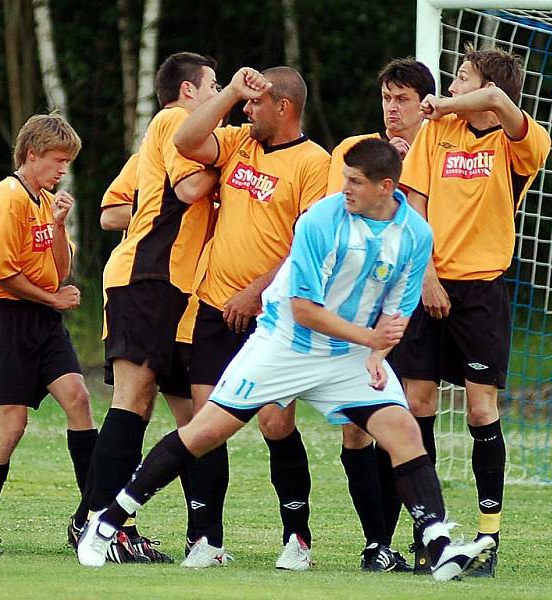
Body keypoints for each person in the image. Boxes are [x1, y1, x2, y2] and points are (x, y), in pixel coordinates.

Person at [78, 137, 498, 582]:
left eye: (355, 181)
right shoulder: (321, 220)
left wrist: (378, 353)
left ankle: (437, 545)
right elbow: (304, 309)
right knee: (204, 433)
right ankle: (105, 522)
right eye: (344, 179)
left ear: (385, 187)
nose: (346, 189)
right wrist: (369, 337)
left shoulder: (414, 233)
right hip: (285, 345)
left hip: (347, 354)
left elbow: (398, 307)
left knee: (403, 429)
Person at [391, 44, 552, 577]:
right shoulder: (435, 134)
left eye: (462, 77)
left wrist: (449, 100)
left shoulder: (520, 140)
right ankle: (429, 531)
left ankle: (488, 536)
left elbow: (497, 101)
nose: (452, 86)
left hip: (482, 292)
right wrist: (427, 276)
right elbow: (414, 207)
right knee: (417, 404)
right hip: (429, 285)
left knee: (482, 410)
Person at [172, 65, 329, 569]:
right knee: (205, 424)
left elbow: (309, 246)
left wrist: (255, 291)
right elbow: (185, 138)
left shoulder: (314, 163)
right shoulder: (238, 141)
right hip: (216, 306)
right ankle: (206, 540)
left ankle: (297, 538)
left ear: (283, 107)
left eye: (256, 102)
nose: (246, 109)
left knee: (274, 421)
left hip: (274, 317)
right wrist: (234, 91)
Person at [83, 51, 221, 562]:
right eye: (213, 85)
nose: (217, 93)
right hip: (146, 277)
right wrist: (227, 164)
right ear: (188, 90)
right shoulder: (174, 120)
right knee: (133, 400)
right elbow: (182, 189)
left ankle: (204, 537)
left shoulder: (188, 133)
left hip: (178, 289)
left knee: (194, 414)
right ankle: (103, 524)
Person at [0, 112, 97, 554]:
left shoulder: (43, 200)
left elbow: (61, 270)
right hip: (3, 317)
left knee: (78, 397)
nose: (62, 170)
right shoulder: (6, 198)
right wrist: (55, 299)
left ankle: (90, 517)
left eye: (67, 162)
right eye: (57, 160)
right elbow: (2, 274)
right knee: (12, 426)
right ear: (32, 154)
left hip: (41, 319)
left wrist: (58, 225)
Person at [326, 58, 436, 573]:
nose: (392, 109)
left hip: (411, 303)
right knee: (356, 428)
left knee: (408, 415)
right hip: (362, 310)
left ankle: (424, 534)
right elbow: (339, 216)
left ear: (423, 106)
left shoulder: (439, 152)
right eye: (387, 99)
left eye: (403, 100)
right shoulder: (357, 155)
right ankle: (376, 543)